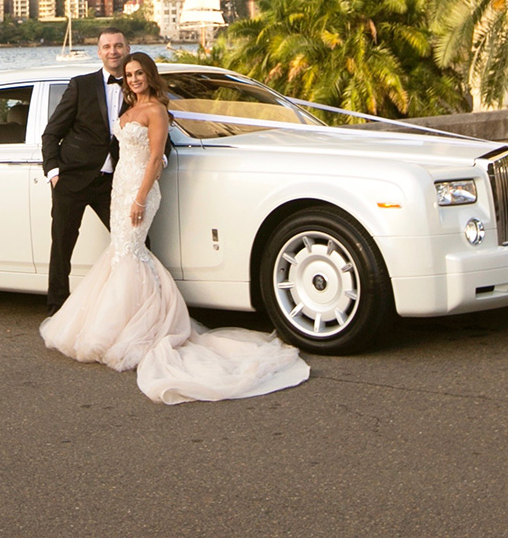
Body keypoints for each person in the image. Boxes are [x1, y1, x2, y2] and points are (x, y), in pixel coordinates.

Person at [40, 53, 309, 404]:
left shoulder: (156, 110)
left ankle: (144, 324)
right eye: (130, 74)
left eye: (139, 74)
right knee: (122, 251)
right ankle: (128, 320)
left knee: (131, 251)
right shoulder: (128, 107)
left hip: (139, 188)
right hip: (118, 186)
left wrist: (139, 198)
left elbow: (154, 157)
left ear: (150, 76)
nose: (134, 79)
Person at [40, 27, 132, 313]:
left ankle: (133, 302)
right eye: (107, 46)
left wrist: (158, 163)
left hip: (114, 183)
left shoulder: (138, 86)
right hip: (73, 178)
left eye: (118, 45)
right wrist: (54, 173)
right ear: (99, 51)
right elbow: (51, 133)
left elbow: (159, 130)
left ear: (127, 49)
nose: (113, 51)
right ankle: (57, 307)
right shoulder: (80, 85)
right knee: (63, 245)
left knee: (132, 240)